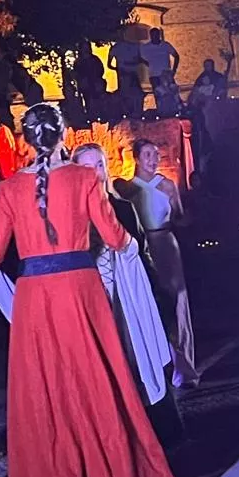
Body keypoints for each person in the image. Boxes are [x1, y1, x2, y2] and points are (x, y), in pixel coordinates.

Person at [0, 104, 178, 477]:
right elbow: (117, 237)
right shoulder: (85, 179)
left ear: (26, 140)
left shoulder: (10, 189)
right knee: (97, 382)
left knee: (50, 391)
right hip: (80, 291)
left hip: (36, 299)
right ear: (64, 136)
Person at [72, 144, 183, 443]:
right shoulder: (71, 218)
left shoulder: (121, 208)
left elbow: (141, 255)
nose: (95, 172)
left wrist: (156, 298)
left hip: (128, 300)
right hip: (94, 304)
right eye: (86, 167)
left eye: (99, 165)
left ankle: (163, 436)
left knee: (142, 363)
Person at [120, 140, 199, 388]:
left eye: (155, 154)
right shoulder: (126, 189)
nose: (153, 159)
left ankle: (185, 367)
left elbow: (180, 217)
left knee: (178, 302)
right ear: (136, 158)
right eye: (147, 155)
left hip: (166, 243)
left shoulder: (166, 185)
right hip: (143, 248)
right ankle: (159, 364)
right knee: (152, 302)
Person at [108, 31, 146, 118]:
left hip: (128, 73)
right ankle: (129, 113)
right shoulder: (116, 48)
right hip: (124, 74)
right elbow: (109, 64)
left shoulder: (131, 46)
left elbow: (139, 59)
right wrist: (118, 69)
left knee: (133, 94)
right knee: (127, 94)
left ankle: (135, 113)